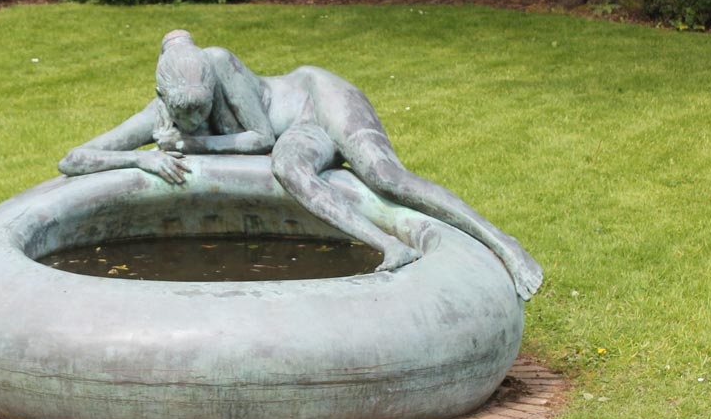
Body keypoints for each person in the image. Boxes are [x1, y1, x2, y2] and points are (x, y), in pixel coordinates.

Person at [59, 29, 543, 300]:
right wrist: (142, 160)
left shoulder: (219, 64)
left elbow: (260, 137)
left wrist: (193, 146)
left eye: (202, 108)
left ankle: (506, 244)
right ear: (162, 96)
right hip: (294, 137)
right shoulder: (159, 113)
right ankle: (388, 247)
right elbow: (73, 158)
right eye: (183, 112)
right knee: (290, 171)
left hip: (315, 100)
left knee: (384, 177)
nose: (194, 119)